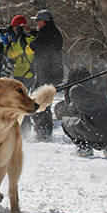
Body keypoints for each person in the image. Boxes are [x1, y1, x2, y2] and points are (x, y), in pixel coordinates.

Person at [61, 67, 107, 157]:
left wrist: (67, 92)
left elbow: (72, 110)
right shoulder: (99, 83)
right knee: (102, 116)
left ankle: (84, 147)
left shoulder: (75, 90)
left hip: (95, 131)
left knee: (65, 122)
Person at [29, 9, 63, 142]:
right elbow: (43, 37)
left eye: (37, 21)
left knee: (39, 100)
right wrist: (32, 32)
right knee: (46, 101)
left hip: (45, 72)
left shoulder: (44, 34)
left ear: (43, 21)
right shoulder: (54, 32)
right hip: (55, 72)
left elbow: (33, 45)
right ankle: (45, 131)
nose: (36, 23)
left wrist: (30, 38)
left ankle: (42, 132)